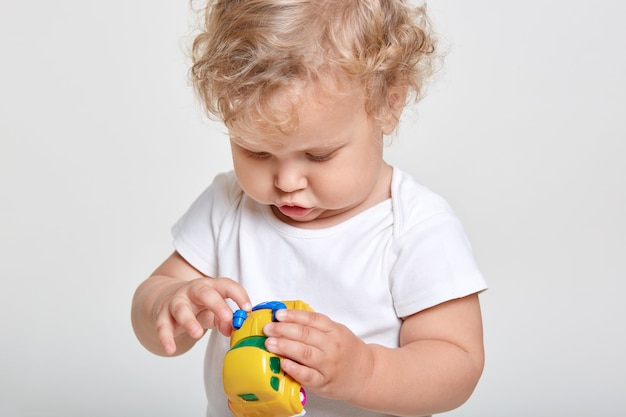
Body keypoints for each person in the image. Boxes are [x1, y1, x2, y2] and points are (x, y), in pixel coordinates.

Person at [131, 0, 487, 416]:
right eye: (256, 152)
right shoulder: (228, 205)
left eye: (318, 155)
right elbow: (152, 313)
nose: (286, 182)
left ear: (388, 105)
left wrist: (366, 370)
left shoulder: (415, 227)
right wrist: (170, 303)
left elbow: (457, 364)